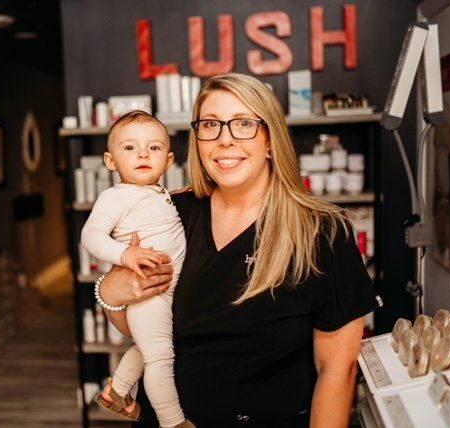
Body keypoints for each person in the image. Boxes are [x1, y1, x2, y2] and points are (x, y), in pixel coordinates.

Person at [95, 73, 381, 427]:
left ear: (270, 140)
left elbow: (337, 369)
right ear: (197, 141)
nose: (225, 139)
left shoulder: (322, 232)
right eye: (211, 124)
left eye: (244, 123)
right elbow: (138, 325)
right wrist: (110, 294)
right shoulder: (171, 212)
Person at [81, 110, 194, 428]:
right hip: (149, 292)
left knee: (150, 348)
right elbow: (90, 235)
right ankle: (173, 422)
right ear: (110, 161)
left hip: (169, 291)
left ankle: (116, 391)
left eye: (153, 148)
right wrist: (125, 255)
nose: (143, 154)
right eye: (130, 147)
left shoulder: (160, 193)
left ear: (168, 161)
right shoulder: (114, 197)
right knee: (160, 358)